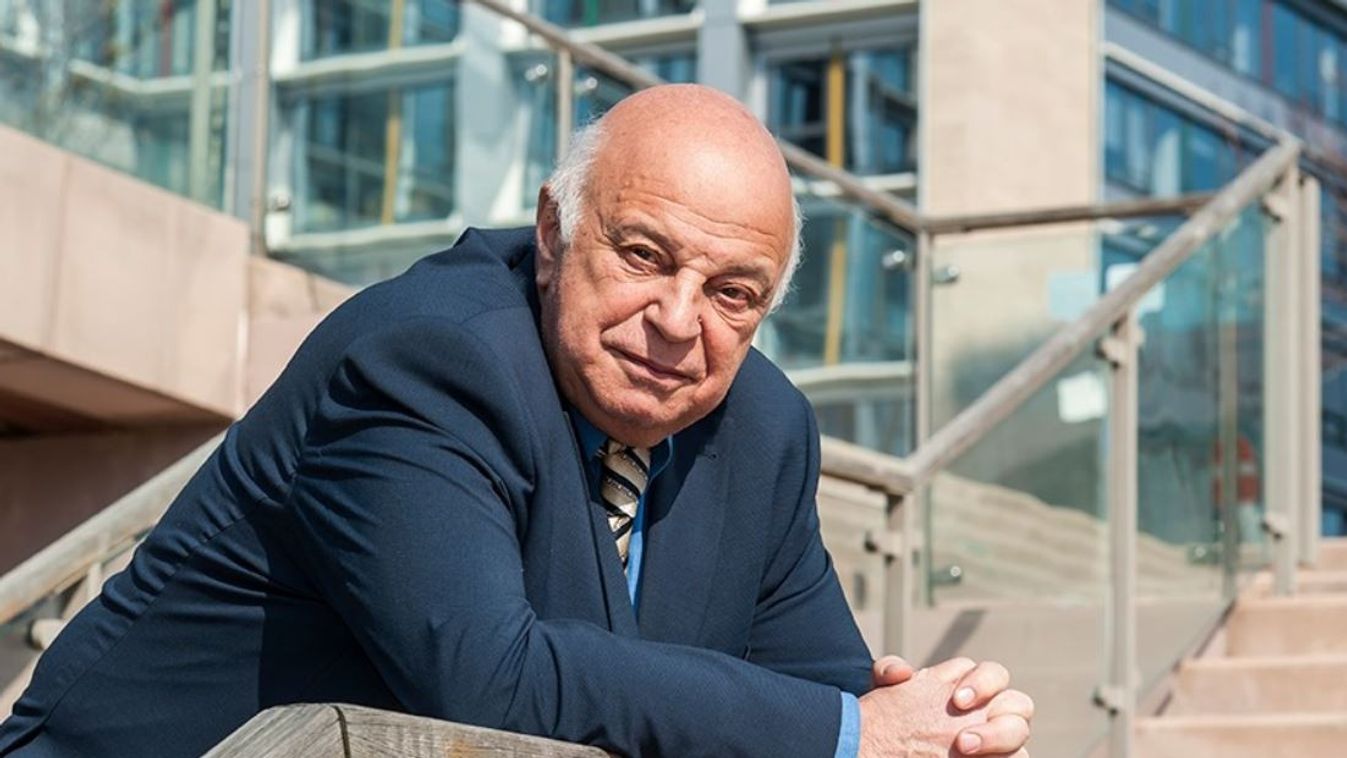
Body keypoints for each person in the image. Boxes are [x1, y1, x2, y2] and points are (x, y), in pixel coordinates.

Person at [0, 85, 1032, 757]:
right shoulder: (425, 360)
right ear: (552, 232)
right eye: (644, 255)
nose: (678, 321)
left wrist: (942, 726)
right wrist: (848, 730)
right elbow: (487, 677)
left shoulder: (763, 430)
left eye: (732, 292)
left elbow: (824, 693)